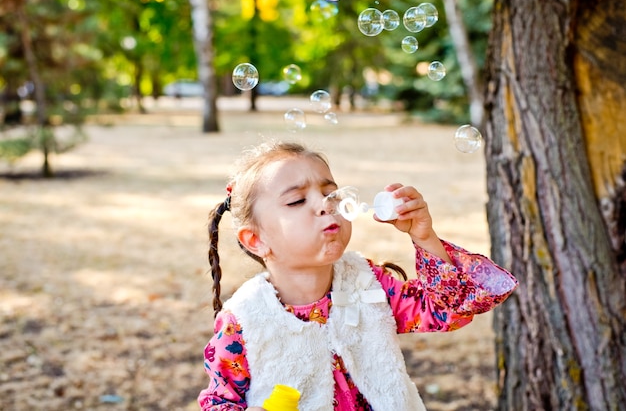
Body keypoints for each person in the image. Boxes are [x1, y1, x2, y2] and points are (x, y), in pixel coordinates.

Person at [198, 140, 518, 411]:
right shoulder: (244, 320)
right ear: (256, 240)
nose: (325, 206)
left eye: (331, 194)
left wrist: (424, 236)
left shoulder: (367, 283)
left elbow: (448, 310)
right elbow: (220, 401)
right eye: (296, 200)